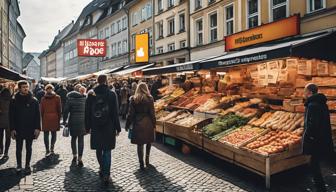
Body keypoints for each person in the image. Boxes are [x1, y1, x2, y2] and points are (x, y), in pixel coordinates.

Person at [85, 74, 121, 185]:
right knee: (107, 150)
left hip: (95, 125)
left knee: (99, 148)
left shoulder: (91, 94)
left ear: (97, 81)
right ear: (106, 81)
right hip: (108, 125)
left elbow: (87, 113)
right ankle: (106, 174)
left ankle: (101, 167)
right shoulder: (111, 94)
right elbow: (115, 113)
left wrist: (87, 127)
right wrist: (118, 128)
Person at [303, 83, 334, 192]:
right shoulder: (321, 103)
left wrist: (307, 137)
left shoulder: (312, 105)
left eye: (305, 91)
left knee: (314, 165)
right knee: (314, 163)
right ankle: (320, 187)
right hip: (321, 138)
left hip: (315, 140)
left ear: (310, 92)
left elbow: (312, 125)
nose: (304, 93)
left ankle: (320, 188)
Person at [9, 80, 41, 174]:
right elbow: (11, 116)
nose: (26, 88)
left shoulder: (34, 100)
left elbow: (37, 116)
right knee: (18, 148)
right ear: (19, 88)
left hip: (30, 128)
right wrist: (12, 129)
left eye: (27, 86)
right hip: (18, 128)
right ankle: (19, 165)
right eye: (23, 87)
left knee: (29, 147)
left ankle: (27, 165)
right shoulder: (14, 100)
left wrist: (38, 128)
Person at [125, 83, 156, 170]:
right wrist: (154, 124)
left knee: (140, 144)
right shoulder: (150, 98)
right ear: (146, 88)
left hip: (138, 123)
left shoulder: (133, 99)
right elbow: (152, 113)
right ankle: (147, 159)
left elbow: (130, 114)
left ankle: (141, 162)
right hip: (148, 122)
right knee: (149, 141)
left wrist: (127, 125)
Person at [64, 84, 86, 167]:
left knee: (73, 138)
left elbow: (66, 111)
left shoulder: (70, 99)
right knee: (81, 139)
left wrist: (65, 121)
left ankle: (74, 155)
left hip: (73, 121)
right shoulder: (84, 99)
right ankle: (80, 158)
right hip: (82, 121)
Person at [40, 84, 62, 156]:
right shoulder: (57, 97)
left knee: (46, 134)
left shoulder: (43, 99)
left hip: (46, 117)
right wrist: (59, 117)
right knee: (53, 134)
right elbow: (59, 108)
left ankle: (47, 149)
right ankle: (52, 148)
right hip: (54, 117)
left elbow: (41, 110)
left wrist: (42, 118)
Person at [0, 88, 11, 158]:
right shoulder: (11, 100)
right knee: (8, 138)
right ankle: (6, 152)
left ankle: (1, 150)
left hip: (1, 120)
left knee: (0, 137)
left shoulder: (0, 99)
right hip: (9, 121)